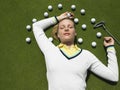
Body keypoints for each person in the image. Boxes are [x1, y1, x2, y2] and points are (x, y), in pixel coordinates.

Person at [32, 12, 119, 90]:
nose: (66, 29)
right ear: (57, 34)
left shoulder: (86, 55)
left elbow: (113, 76)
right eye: (62, 27)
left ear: (75, 32)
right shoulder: (50, 50)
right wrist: (58, 18)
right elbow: (36, 26)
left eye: (70, 27)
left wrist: (110, 48)